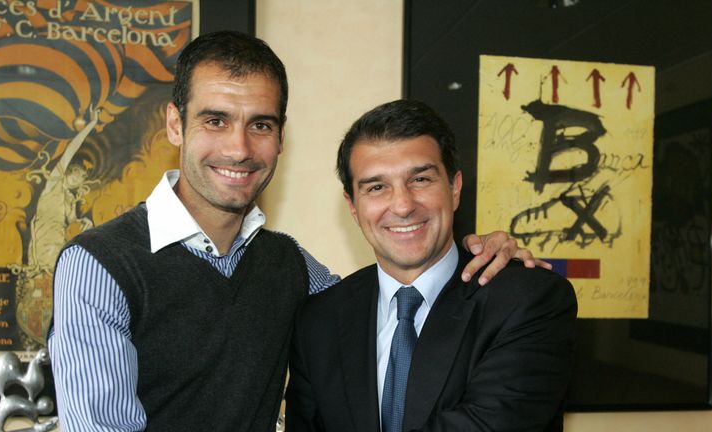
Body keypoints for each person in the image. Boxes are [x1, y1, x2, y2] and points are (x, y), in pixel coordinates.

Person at [48, 32, 544, 431]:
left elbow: (392, 297)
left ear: (281, 137)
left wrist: (477, 251)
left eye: (260, 125)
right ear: (176, 125)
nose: (239, 148)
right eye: (216, 121)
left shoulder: (290, 264)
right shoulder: (97, 265)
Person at [285, 100, 578, 432]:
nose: (403, 205)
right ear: (353, 206)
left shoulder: (528, 299)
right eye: (377, 187)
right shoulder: (318, 321)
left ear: (454, 188)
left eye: (420, 179)